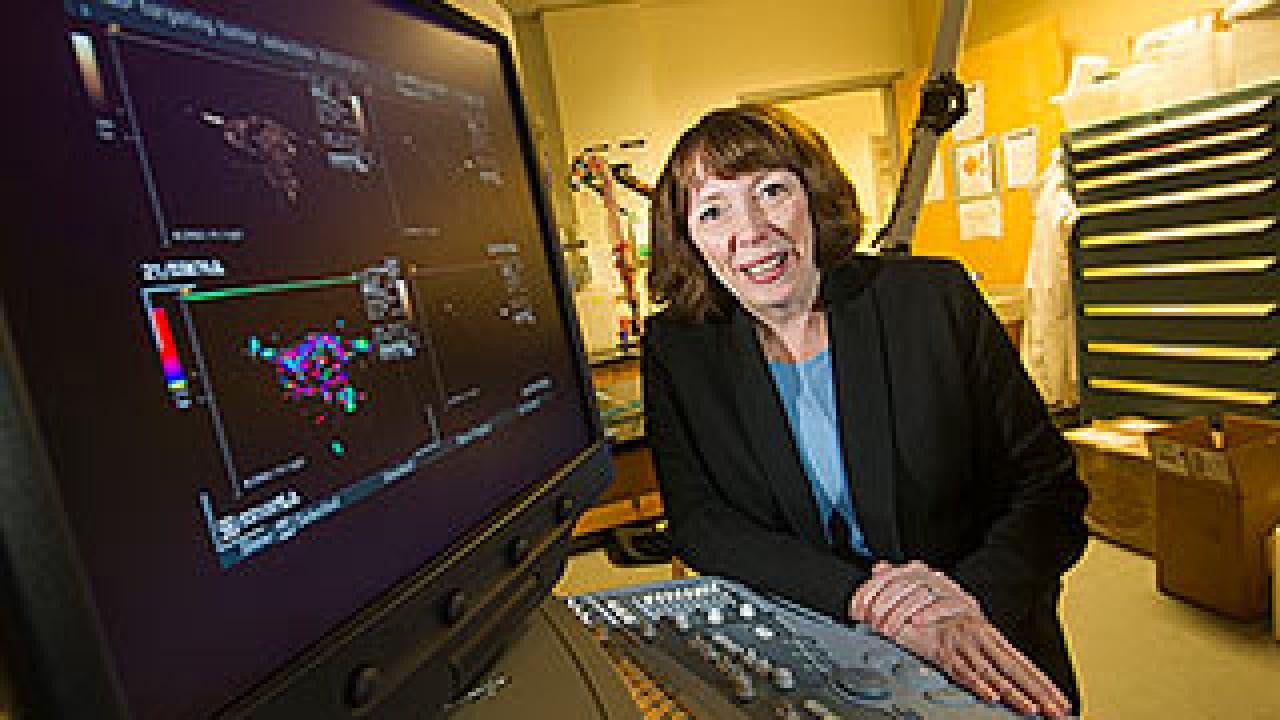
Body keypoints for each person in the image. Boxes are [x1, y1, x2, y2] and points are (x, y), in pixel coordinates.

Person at [641, 103, 1088, 717]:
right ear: (689, 237)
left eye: (771, 192)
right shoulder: (678, 349)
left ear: (813, 198)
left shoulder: (932, 301)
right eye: (713, 210)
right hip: (815, 642)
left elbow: (1050, 489)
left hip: (984, 631)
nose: (750, 232)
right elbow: (700, 522)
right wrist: (861, 599)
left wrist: (961, 603)